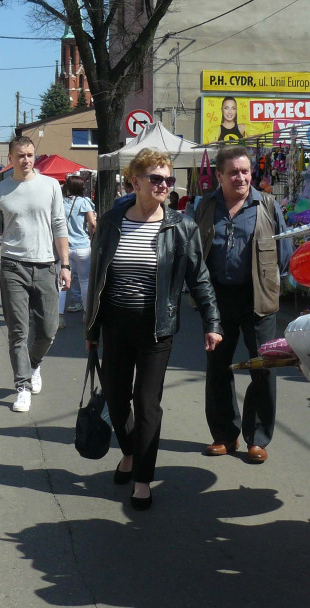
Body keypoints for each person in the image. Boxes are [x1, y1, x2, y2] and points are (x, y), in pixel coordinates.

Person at [86, 148, 222, 510]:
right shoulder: (113, 220)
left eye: (169, 179)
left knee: (147, 404)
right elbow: (98, 278)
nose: (164, 185)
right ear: (136, 181)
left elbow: (200, 279)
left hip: (156, 329)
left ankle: (143, 478)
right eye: (156, 178)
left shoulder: (180, 226)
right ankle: (128, 452)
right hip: (115, 325)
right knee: (116, 398)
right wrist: (92, 327)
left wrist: (212, 322)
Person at [196, 145, 292, 464]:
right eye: (234, 172)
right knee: (218, 368)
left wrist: (278, 283)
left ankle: (257, 438)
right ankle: (225, 436)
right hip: (218, 299)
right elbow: (194, 252)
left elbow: (285, 249)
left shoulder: (266, 204)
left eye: (245, 171)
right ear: (220, 176)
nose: (241, 177)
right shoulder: (206, 206)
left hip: (258, 298)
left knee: (263, 368)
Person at [0, 135, 70, 413]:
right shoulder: (0, 192)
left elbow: (60, 225)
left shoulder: (50, 186)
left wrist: (65, 264)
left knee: (48, 331)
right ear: (10, 158)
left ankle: (34, 365)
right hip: (13, 266)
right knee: (18, 331)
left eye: (29, 154)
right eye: (20, 155)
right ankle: (22, 386)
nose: (26, 160)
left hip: (47, 265)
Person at [57, 177, 96, 328]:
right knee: (84, 281)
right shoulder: (84, 202)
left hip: (64, 247)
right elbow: (92, 223)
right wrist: (92, 238)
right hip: (82, 246)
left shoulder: (60, 202)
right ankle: (86, 314)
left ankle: (59, 317)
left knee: (62, 283)